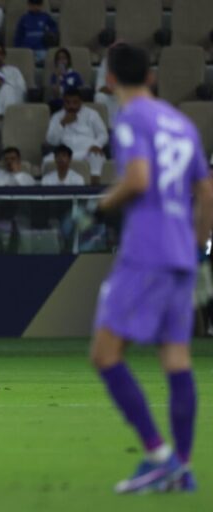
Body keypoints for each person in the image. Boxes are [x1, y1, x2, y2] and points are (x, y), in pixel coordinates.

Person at [81, 43, 213, 493]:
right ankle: (184, 467)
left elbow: (138, 179)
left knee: (105, 354)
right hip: (181, 253)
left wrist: (100, 208)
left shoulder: (132, 118)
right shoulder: (180, 123)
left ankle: (159, 457)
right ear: (151, 77)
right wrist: (196, 246)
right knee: (176, 358)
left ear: (110, 79)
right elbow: (207, 190)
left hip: (147, 249)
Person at [44, 87, 108, 182]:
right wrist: (62, 123)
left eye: (75, 102)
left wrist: (96, 145)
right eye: (68, 102)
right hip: (66, 153)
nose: (71, 106)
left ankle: (95, 186)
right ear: (63, 102)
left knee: (96, 156)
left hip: (87, 151)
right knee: (46, 160)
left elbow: (103, 134)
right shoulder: (57, 116)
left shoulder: (92, 114)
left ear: (80, 102)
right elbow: (51, 140)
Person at [13, 0, 57, 64]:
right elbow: (18, 36)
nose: (35, 6)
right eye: (33, 4)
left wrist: (50, 33)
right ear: (28, 5)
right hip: (27, 50)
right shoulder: (24, 18)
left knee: (47, 58)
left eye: (38, 4)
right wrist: (18, 50)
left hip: (41, 49)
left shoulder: (45, 17)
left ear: (41, 5)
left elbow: (54, 28)